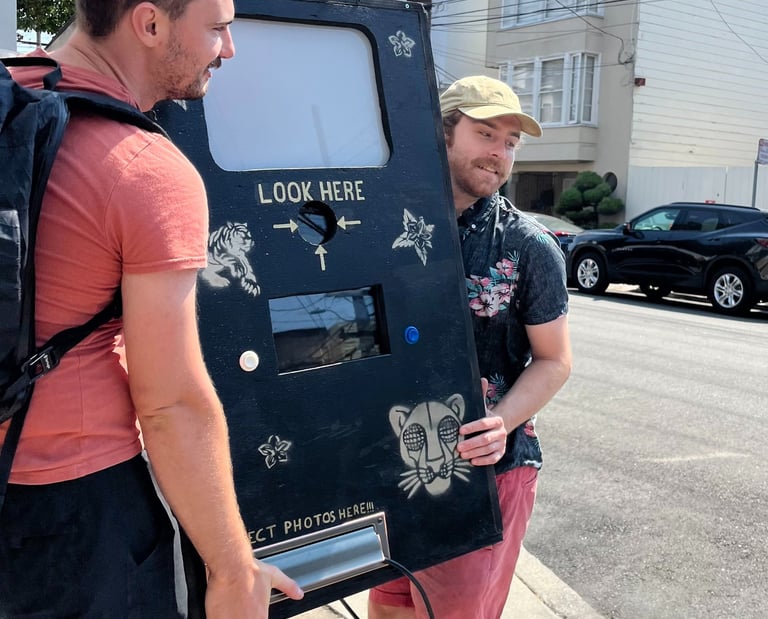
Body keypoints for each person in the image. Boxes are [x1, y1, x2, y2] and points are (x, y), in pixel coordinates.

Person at [0, 1, 303, 617]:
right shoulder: (146, 171)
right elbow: (169, 404)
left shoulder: (10, 91)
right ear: (150, 23)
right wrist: (233, 569)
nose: (230, 48)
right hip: (71, 514)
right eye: (217, 28)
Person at [369, 75, 572, 619]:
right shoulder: (386, 224)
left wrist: (502, 422)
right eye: (486, 134)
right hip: (400, 465)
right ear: (443, 131)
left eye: (510, 143)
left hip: (488, 470)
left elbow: (554, 361)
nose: (499, 153)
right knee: (390, 610)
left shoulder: (529, 246)